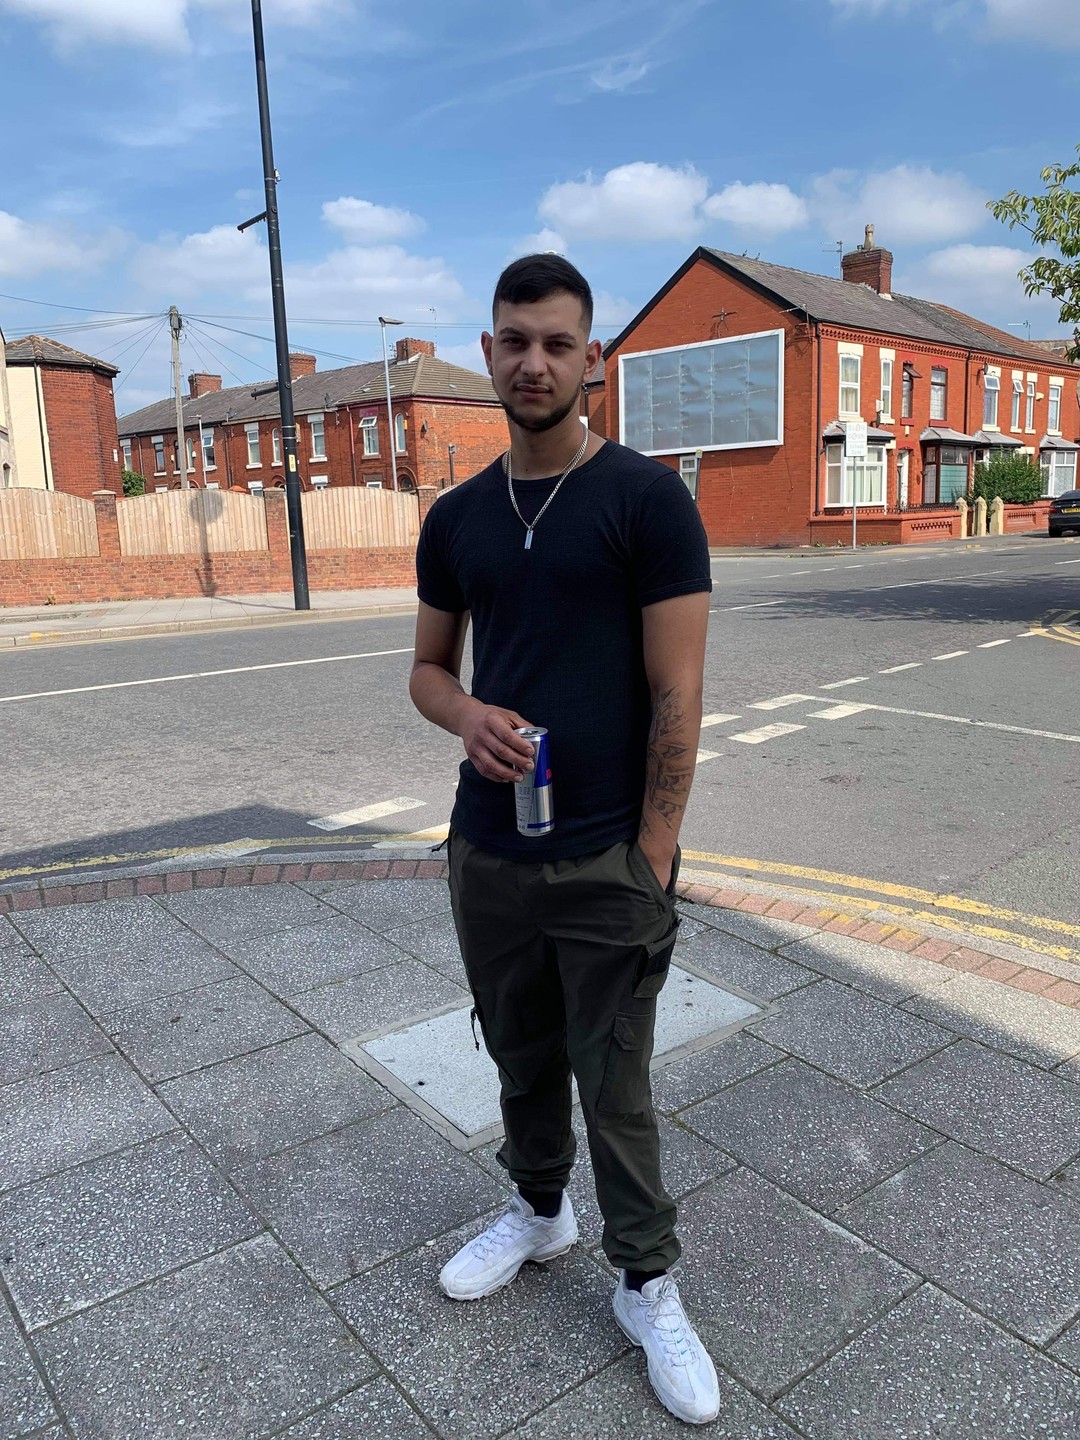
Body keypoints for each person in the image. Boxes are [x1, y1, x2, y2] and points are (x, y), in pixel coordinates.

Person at [409, 254, 718, 1426]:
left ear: (592, 359)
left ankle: (647, 1284)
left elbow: (678, 694)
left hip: (605, 858)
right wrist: (468, 715)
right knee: (520, 1053)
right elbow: (427, 671)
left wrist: (653, 858)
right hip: (490, 851)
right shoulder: (457, 519)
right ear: (487, 352)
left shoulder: (647, 501)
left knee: (616, 1080)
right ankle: (539, 1214)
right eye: (513, 340)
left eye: (555, 343)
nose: (532, 361)